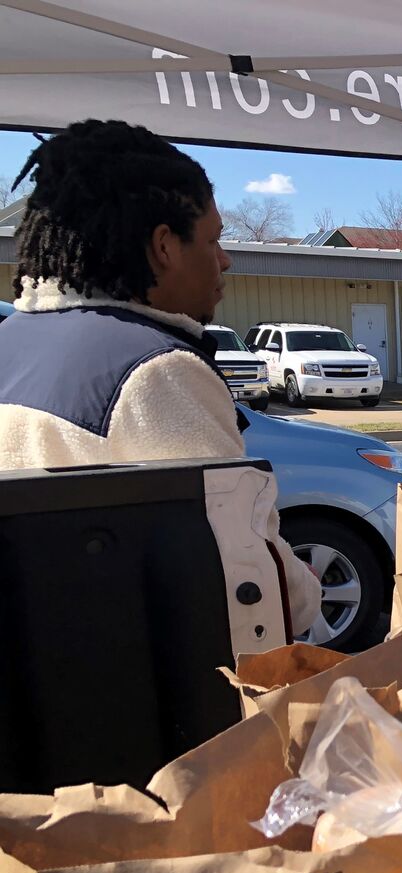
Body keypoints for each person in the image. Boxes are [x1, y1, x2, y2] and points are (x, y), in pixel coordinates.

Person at [0, 119, 321, 637]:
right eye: (213, 240)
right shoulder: (160, 373)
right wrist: (302, 584)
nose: (225, 260)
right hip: (150, 698)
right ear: (165, 246)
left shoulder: (9, 340)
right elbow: (251, 589)